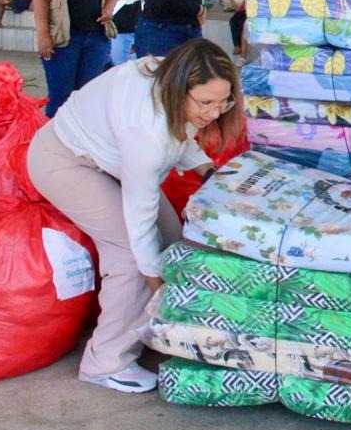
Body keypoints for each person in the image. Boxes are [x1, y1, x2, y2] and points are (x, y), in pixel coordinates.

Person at [27, 39, 242, 392]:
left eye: (224, 102)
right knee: (131, 255)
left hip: (108, 157)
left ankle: (163, 332)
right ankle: (106, 361)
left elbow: (180, 137)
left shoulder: (169, 79)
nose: (215, 113)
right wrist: (154, 281)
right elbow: (139, 219)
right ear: (180, 90)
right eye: (206, 103)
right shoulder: (146, 132)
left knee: (175, 242)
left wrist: (208, 170)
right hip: (63, 160)